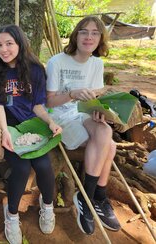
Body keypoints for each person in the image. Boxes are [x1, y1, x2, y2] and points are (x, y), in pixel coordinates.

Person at [0, 25, 62, 244]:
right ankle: (12, 215)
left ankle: (47, 206)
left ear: (20, 44)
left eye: (9, 44)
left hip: (29, 126)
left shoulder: (34, 69)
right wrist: (5, 132)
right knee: (22, 166)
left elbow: (37, 106)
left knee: (43, 165)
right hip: (4, 124)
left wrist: (51, 122)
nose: (4, 49)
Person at [45, 16, 121, 235]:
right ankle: (95, 196)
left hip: (82, 115)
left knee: (105, 130)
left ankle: (90, 198)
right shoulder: (57, 61)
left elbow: (94, 97)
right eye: (84, 32)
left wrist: (97, 111)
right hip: (58, 117)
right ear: (76, 35)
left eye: (95, 33)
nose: (89, 37)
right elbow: (49, 102)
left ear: (100, 39)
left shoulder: (97, 64)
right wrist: (71, 94)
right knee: (111, 146)